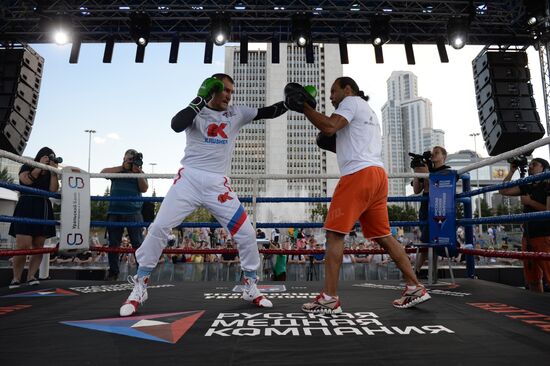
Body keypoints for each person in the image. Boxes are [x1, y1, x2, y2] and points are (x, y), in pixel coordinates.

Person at [119, 73, 289, 316]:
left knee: (247, 233)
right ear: (213, 88)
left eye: (232, 91)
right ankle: (141, 284)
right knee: (159, 228)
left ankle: (250, 284)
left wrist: (289, 104)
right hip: (188, 180)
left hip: (218, 184)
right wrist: (201, 97)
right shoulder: (195, 111)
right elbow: (176, 124)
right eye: (225, 90)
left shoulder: (237, 113)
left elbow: (267, 112)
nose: (229, 95)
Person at [286, 77, 430, 313]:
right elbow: (340, 138)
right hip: (377, 176)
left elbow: (330, 127)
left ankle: (329, 298)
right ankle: (415, 286)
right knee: (384, 235)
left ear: (348, 89)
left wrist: (305, 107)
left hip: (358, 176)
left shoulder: (351, 102)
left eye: (334, 91)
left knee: (334, 235)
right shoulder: (367, 112)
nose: (331, 97)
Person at [8, 147, 60, 288]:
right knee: (22, 246)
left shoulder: (50, 172)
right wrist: (38, 167)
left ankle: (31, 276)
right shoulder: (27, 165)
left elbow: (53, 190)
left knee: (38, 246)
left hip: (42, 206)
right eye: (47, 157)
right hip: (26, 204)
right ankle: (16, 278)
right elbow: (26, 182)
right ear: (40, 156)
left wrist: (54, 172)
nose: (49, 159)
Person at [499, 157, 550, 293]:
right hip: (527, 236)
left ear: (543, 168)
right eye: (530, 164)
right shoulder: (527, 184)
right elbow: (503, 191)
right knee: (533, 279)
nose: (531, 166)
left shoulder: (548, 184)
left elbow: (548, 211)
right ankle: (536, 306)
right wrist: (511, 171)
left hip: (544, 235)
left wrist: (530, 202)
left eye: (535, 164)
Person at [101, 149, 149, 280]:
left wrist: (137, 172)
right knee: (113, 244)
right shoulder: (118, 171)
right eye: (129, 158)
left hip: (133, 212)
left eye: (133, 159)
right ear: (124, 158)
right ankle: (113, 272)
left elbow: (144, 189)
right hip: (115, 211)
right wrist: (123, 167)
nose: (132, 161)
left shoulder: (139, 172)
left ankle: (141, 274)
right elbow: (102, 173)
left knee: (138, 244)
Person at [411, 145, 452, 281]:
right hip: (425, 207)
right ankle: (417, 273)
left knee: (429, 241)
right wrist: (416, 171)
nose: (433, 154)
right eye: (433, 152)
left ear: (443, 157)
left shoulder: (447, 171)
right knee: (426, 241)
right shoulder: (427, 169)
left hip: (440, 208)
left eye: (437, 152)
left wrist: (427, 171)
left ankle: (416, 273)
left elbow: (434, 186)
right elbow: (417, 190)